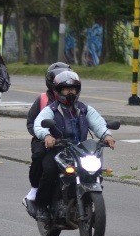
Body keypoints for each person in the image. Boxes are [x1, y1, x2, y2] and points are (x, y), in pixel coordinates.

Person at [31, 70, 116, 224]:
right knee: (49, 171)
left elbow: (98, 123)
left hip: (80, 151)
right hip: (58, 150)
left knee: (95, 170)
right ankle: (42, 206)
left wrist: (107, 135)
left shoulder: (84, 109)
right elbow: (39, 124)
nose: (70, 92)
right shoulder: (52, 109)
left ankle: (85, 200)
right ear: (58, 91)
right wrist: (47, 136)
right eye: (66, 89)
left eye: (73, 89)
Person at [22, 62, 72, 218]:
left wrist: (105, 134)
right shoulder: (43, 99)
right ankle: (35, 192)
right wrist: (44, 136)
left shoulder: (74, 100)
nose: (66, 86)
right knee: (43, 161)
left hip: (67, 142)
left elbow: (88, 119)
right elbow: (31, 122)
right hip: (44, 140)